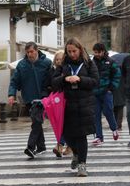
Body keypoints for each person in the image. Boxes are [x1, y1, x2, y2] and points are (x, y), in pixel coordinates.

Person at [52, 37, 99, 177]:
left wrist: (80, 79)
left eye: (74, 51)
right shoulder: (63, 65)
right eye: (69, 51)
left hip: (84, 105)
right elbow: (53, 82)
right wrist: (64, 79)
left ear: (80, 49)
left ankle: (82, 165)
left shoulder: (88, 63)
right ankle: (76, 154)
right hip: (67, 105)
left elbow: (96, 81)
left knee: (81, 136)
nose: (72, 54)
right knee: (68, 135)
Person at [8, 42, 52, 159]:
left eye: (32, 52)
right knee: (37, 122)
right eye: (27, 52)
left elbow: (51, 80)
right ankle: (41, 147)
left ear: (37, 50)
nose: (30, 54)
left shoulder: (46, 63)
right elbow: (14, 81)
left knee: (36, 122)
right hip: (28, 98)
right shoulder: (22, 65)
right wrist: (11, 94)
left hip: (42, 98)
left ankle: (30, 147)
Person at [91, 43, 121, 146]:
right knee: (96, 115)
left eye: (99, 52)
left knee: (108, 111)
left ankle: (114, 129)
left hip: (106, 92)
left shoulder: (111, 62)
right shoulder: (91, 63)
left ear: (103, 51)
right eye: (95, 52)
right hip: (95, 93)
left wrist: (111, 88)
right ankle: (99, 137)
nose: (97, 54)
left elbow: (117, 75)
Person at [50, 51, 72, 157]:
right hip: (59, 100)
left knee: (67, 124)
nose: (59, 61)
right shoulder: (55, 71)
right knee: (61, 124)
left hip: (69, 99)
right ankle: (63, 145)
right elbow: (53, 83)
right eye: (57, 59)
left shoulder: (69, 68)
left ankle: (64, 145)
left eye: (61, 59)